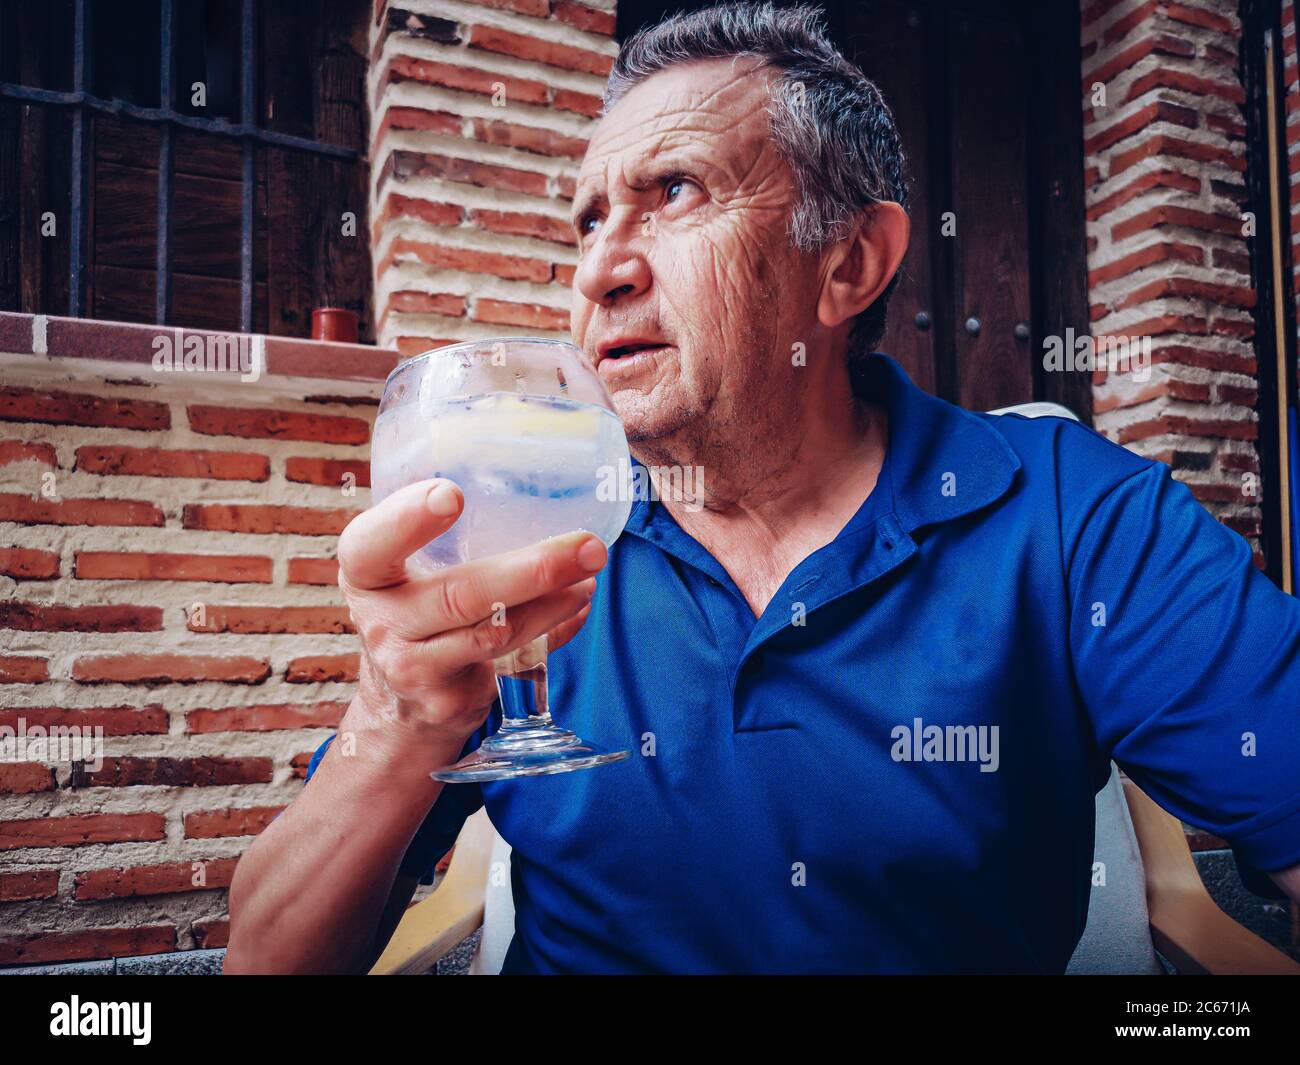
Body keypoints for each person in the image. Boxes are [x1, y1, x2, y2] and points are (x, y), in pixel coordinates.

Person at [224, 2, 1300, 974]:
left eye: (674, 191)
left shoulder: (1074, 516)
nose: (602, 268)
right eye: (588, 220)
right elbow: (267, 961)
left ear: (848, 261)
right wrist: (399, 715)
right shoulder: (525, 551)